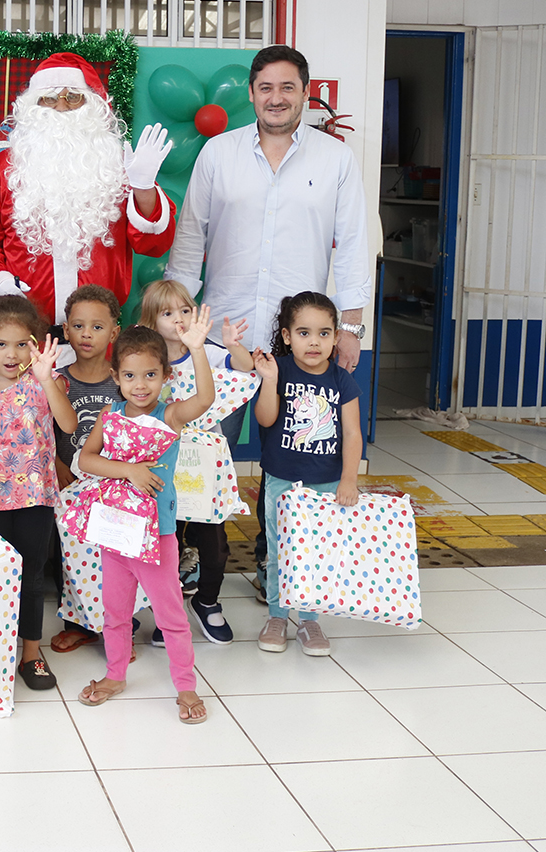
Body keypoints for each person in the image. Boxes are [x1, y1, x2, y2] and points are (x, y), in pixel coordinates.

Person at [164, 44, 373, 586]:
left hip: (300, 339)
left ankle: (278, 561)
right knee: (202, 448)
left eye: (288, 87)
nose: (276, 98)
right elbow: (189, 243)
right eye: (265, 88)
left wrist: (349, 329)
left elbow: (352, 246)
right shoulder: (218, 155)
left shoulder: (335, 160)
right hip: (220, 336)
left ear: (306, 93)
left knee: (296, 453)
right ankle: (191, 556)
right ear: (252, 94)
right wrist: (175, 328)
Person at [0, 52, 176, 326]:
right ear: (35, 105)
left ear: (91, 105)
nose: (62, 108)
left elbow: (154, 245)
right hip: (25, 333)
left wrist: (144, 188)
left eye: (73, 97)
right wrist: (2, 285)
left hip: (99, 337)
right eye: (51, 98)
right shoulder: (3, 169)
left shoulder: (117, 165)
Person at [75, 319, 215, 724]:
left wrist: (198, 348)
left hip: (159, 536)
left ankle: (186, 685)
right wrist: (128, 470)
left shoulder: (169, 415)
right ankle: (115, 675)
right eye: (131, 375)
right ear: (115, 376)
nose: (140, 385)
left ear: (166, 376)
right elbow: (86, 460)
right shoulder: (110, 414)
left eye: (151, 375)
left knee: (170, 613)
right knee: (114, 611)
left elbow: (204, 399)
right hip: (115, 531)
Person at [0, 296, 77, 690]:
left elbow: (69, 424)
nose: (11, 354)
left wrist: (44, 378)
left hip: (37, 499)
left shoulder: (46, 382)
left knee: (32, 576)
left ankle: (30, 653)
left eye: (22, 344)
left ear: (37, 344)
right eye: (2, 344)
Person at [139, 279, 254, 645]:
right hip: (163, 466)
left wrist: (233, 344)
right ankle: (167, 608)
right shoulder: (148, 360)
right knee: (167, 539)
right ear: (150, 321)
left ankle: (207, 601)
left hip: (206, 468)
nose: (179, 319)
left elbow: (245, 366)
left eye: (185, 310)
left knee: (214, 539)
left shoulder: (206, 350)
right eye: (167, 312)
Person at [252, 292, 362, 656]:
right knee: (278, 549)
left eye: (324, 333)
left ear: (335, 337)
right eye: (303, 333)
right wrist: (268, 380)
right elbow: (265, 420)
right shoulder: (279, 370)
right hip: (281, 479)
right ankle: (277, 615)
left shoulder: (342, 381)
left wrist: (348, 480)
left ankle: (311, 621)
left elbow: (352, 434)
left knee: (318, 554)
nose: (314, 342)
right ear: (286, 336)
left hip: (327, 482)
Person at [49, 285, 122, 654]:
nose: (86, 334)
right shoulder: (57, 379)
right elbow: (39, 428)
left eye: (97, 326)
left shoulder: (124, 381)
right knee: (72, 556)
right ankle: (78, 624)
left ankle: (119, 627)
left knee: (114, 558)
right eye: (78, 326)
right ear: (65, 330)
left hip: (114, 487)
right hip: (68, 484)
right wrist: (58, 463)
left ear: (114, 332)